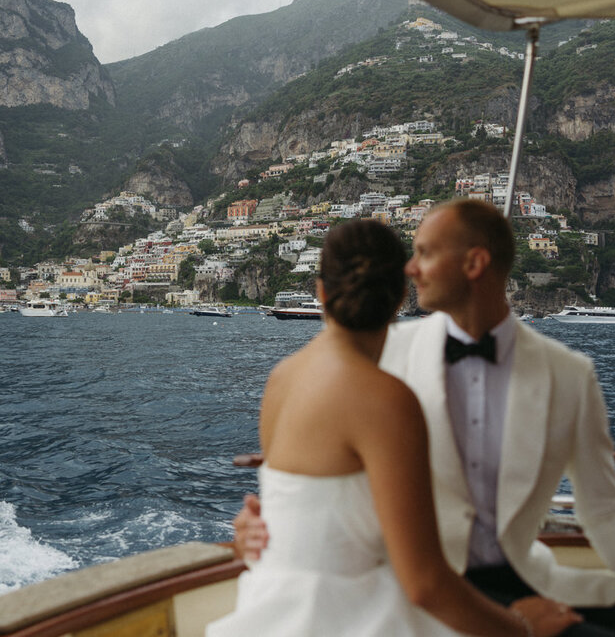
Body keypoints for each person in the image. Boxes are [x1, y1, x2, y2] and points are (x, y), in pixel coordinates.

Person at [235, 200, 615, 637]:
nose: (410, 269)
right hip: (431, 585)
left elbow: (605, 508)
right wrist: (263, 523)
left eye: (422, 253)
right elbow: (319, 462)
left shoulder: (568, 374)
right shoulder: (382, 359)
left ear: (474, 264)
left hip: (527, 574)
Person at [209, 218, 581, 637]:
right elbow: (424, 584)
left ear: (321, 292)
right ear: (402, 297)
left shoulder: (281, 379)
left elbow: (302, 517)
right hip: (361, 617)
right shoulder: (387, 398)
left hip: (270, 609)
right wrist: (524, 629)